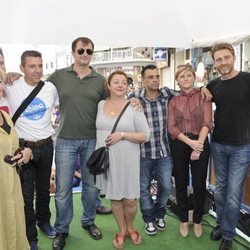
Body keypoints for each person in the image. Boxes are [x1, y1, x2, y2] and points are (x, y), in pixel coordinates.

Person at [47, 37, 119, 250]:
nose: (85, 54)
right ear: (73, 52)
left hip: (92, 140)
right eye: (81, 50)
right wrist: (15, 78)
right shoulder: (59, 76)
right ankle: (62, 229)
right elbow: (38, 89)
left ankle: (88, 221)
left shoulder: (99, 80)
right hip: (65, 140)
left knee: (90, 186)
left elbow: (114, 101)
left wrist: (132, 100)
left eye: (89, 51)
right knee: (62, 189)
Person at [4, 50, 59, 250]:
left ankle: (44, 221)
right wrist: (9, 74)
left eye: (40, 66)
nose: (37, 70)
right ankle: (31, 237)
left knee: (44, 189)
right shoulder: (11, 86)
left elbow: (65, 105)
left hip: (46, 145)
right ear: (21, 68)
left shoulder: (50, 88)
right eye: (31, 66)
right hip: (23, 148)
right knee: (27, 196)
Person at [95, 70, 150, 249]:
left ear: (128, 87)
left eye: (124, 82)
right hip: (108, 159)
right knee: (116, 199)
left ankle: (131, 227)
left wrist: (123, 135)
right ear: (108, 86)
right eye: (116, 82)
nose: (120, 85)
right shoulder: (100, 104)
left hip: (129, 160)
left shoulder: (134, 106)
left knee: (130, 200)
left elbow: (145, 135)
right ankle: (121, 229)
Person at [207, 42, 250, 250]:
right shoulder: (213, 85)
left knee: (234, 193)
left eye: (226, 58)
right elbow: (198, 98)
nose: (223, 63)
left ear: (233, 57)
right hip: (218, 144)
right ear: (214, 62)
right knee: (220, 191)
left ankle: (227, 234)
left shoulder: (247, 80)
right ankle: (222, 224)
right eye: (218, 59)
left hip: (242, 146)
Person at [168, 64, 212, 238]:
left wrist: (198, 145)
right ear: (177, 80)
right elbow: (171, 127)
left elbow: (207, 122)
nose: (185, 78)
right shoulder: (173, 101)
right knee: (180, 182)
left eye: (188, 75)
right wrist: (190, 143)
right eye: (181, 76)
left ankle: (198, 220)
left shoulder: (204, 96)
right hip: (180, 143)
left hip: (200, 140)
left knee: (200, 183)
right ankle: (183, 220)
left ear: (194, 77)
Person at [130, 64, 174, 235]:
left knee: (166, 186)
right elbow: (117, 105)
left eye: (157, 76)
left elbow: (187, 90)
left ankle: (160, 214)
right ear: (143, 79)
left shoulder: (166, 94)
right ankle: (149, 219)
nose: (155, 80)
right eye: (150, 77)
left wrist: (203, 90)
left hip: (164, 152)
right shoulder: (134, 97)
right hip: (142, 153)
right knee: (143, 188)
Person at [0, 68, 32, 250]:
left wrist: (24, 151)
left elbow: (13, 146)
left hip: (11, 186)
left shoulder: (5, 116)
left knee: (14, 225)